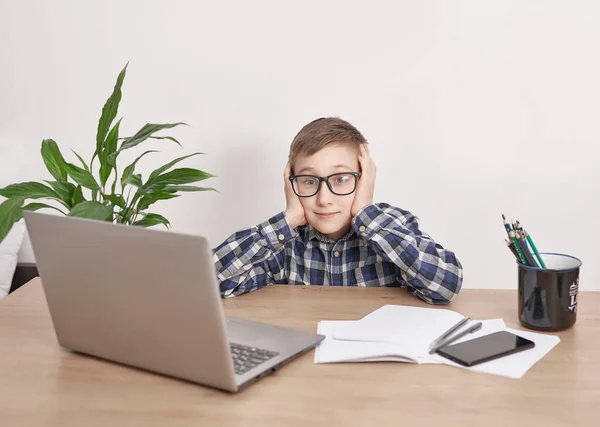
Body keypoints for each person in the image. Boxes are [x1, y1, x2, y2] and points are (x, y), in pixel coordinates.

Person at [213, 117, 463, 304]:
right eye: (309, 181)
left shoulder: (391, 227)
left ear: (364, 179)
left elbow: (445, 285)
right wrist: (289, 218)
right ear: (291, 182)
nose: (324, 199)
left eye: (341, 179)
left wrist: (366, 211)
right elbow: (210, 284)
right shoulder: (283, 243)